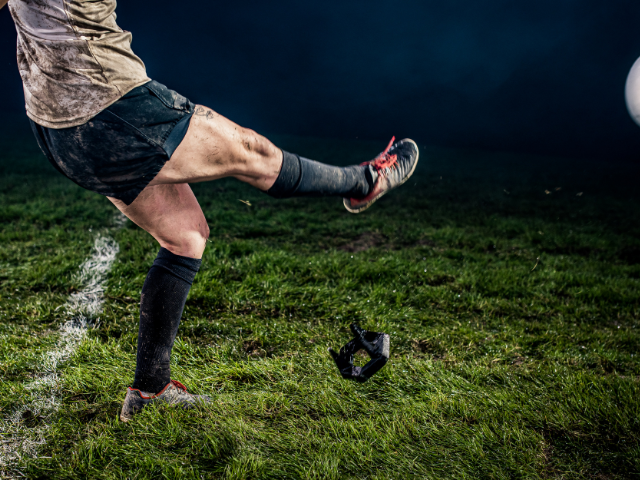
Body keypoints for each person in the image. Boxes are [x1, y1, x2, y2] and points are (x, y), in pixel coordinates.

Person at [2, 0, 419, 422]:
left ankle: (150, 390)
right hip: (109, 108)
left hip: (57, 128)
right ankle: (366, 182)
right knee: (253, 152)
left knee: (185, 236)